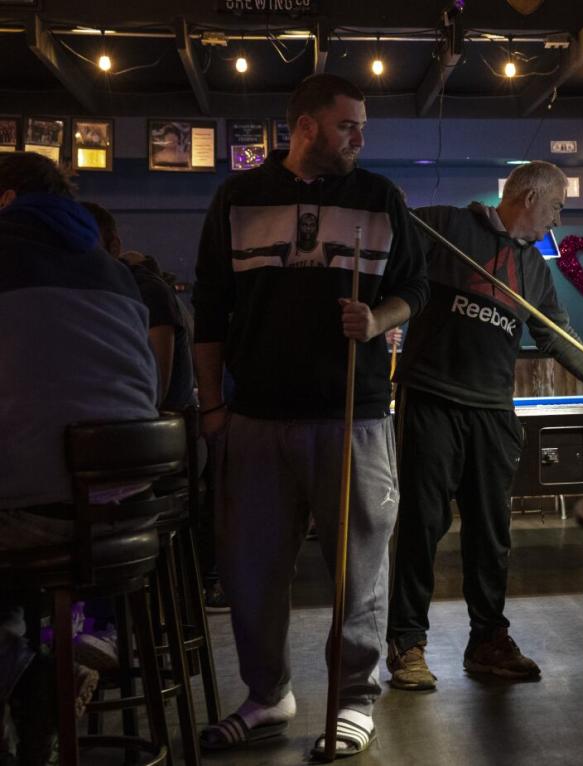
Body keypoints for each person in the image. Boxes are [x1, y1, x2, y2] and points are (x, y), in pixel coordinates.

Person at [193, 73, 427, 759]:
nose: (360, 137)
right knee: (252, 571)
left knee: (358, 570)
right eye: (347, 125)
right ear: (305, 127)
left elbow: (414, 287)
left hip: (354, 415)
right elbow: (209, 308)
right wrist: (212, 408)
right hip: (255, 417)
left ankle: (353, 701)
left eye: (362, 126)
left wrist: (377, 317)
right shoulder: (239, 197)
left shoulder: (379, 198)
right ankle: (268, 696)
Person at [386, 160, 583, 691]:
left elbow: (557, 335)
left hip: (491, 410)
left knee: (491, 532)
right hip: (432, 398)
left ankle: (487, 640)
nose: (558, 219)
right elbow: (387, 241)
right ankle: (407, 643)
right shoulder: (444, 226)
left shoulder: (536, 271)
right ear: (528, 197)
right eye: (556, 207)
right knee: (422, 524)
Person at [0, 151, 158, 761]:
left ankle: (24, 669)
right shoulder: (115, 271)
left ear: (6, 200)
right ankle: (59, 651)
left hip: (34, 519)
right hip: (125, 520)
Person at [81, 202, 195, 412]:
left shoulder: (147, 291)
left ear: (114, 247)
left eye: (86, 244)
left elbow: (156, 393)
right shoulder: (99, 294)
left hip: (158, 436)